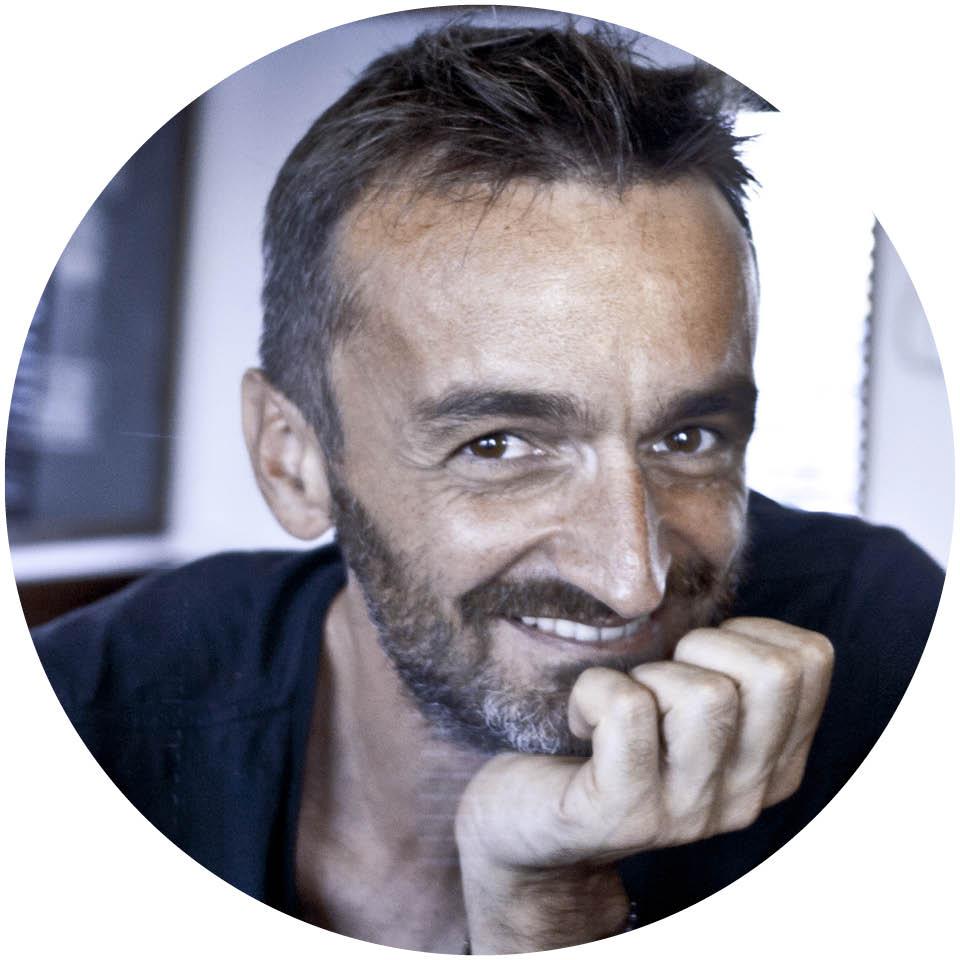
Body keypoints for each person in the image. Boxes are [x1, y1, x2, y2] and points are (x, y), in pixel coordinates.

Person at [32, 22, 943, 954]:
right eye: (499, 445)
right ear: (292, 460)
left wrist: (544, 904)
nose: (632, 579)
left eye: (688, 437)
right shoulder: (72, 739)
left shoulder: (889, 650)